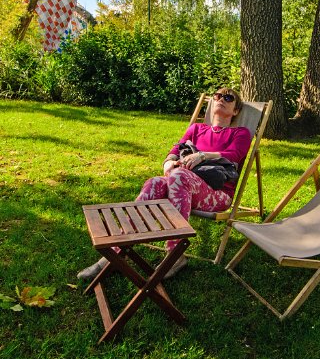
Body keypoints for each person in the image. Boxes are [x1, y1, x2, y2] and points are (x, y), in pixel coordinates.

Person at [77, 88, 253, 281]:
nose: (221, 99)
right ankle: (118, 249)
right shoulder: (196, 129)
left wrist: (201, 155)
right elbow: (176, 149)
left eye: (228, 98)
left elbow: (235, 155)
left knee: (179, 176)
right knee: (154, 183)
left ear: (236, 111)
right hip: (183, 185)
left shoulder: (240, 133)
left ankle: (174, 255)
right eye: (217, 96)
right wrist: (168, 161)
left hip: (217, 194)